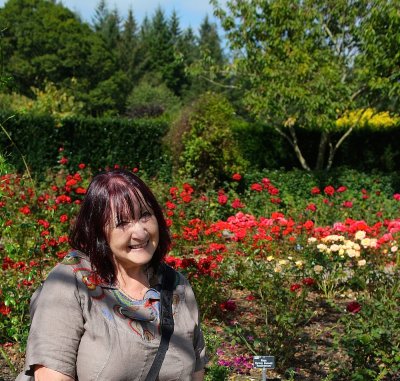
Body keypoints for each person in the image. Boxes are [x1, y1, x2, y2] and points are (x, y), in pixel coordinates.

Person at [17, 169, 207, 381]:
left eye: (145, 215)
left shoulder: (177, 288)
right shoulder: (70, 283)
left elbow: (195, 374)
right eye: (123, 222)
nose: (140, 232)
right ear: (98, 231)